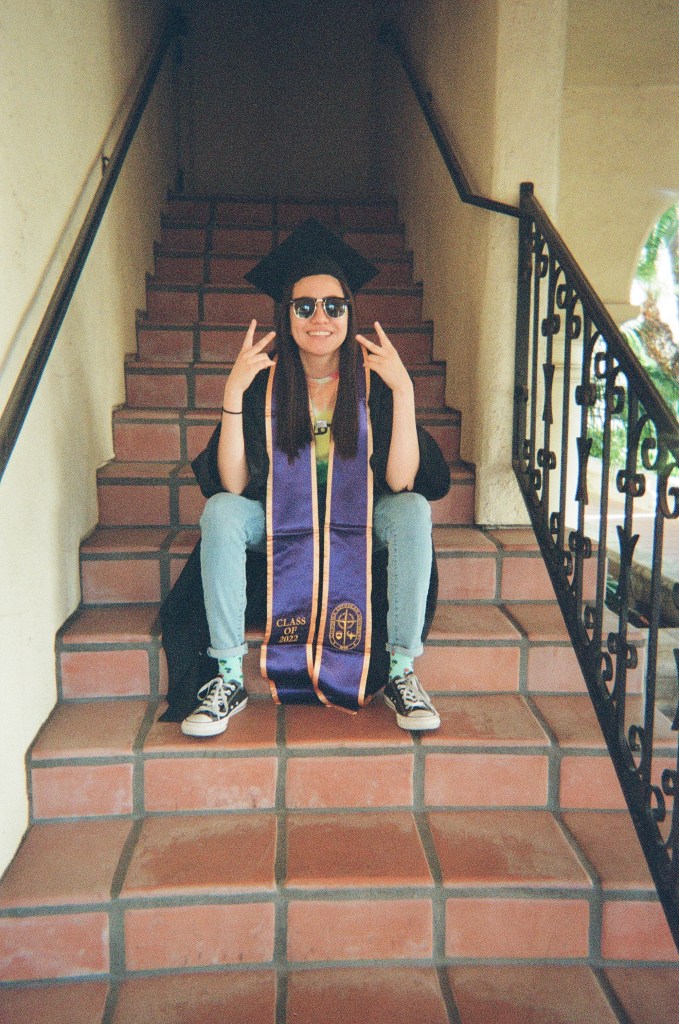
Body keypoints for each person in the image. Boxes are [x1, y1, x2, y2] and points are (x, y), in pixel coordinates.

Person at [159, 218, 450, 736]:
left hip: (359, 524)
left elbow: (402, 480)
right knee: (221, 511)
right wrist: (232, 393)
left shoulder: (373, 382)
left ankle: (402, 671)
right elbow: (232, 484)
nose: (320, 317)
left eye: (334, 306)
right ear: (287, 316)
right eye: (305, 306)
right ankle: (228, 677)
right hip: (280, 522)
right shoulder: (264, 384)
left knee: (412, 510)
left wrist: (404, 391)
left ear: (349, 313)